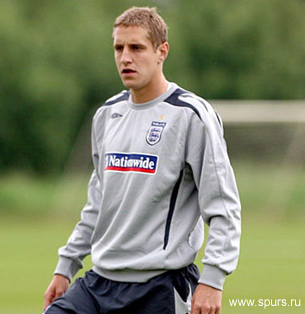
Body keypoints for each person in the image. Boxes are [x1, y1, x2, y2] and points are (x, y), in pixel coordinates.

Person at [43, 6, 241, 314]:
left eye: (136, 47)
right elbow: (97, 203)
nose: (125, 58)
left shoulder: (191, 116)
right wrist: (66, 265)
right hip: (99, 284)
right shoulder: (107, 115)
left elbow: (223, 207)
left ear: (162, 51)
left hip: (160, 288)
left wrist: (213, 279)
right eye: (118, 48)